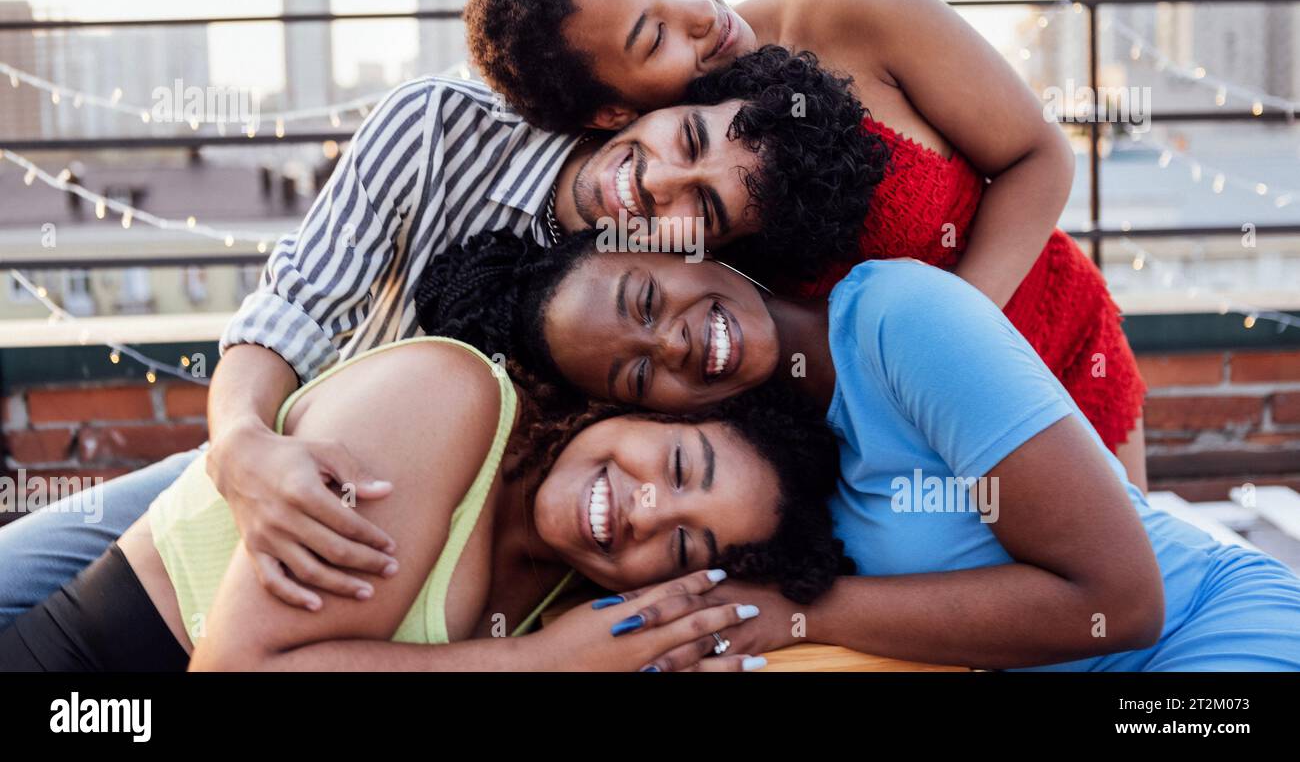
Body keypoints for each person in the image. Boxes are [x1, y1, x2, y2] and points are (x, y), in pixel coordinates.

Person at [0, 46, 881, 630]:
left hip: (430, 520)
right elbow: (294, 305)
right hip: (286, 435)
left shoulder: (637, 344)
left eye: (704, 209)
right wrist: (237, 445)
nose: (661, 188)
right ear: (639, 106)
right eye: (683, 136)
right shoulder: (445, 126)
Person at [465, 0, 1149, 488]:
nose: (699, 12)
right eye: (654, 37)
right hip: (897, 440)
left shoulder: (846, 9)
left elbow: (1039, 157)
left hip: (1051, 343)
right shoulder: (652, 188)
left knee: (1129, 595)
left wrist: (949, 346)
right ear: (611, 113)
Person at [415, 231, 1300, 671]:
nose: (677, 345)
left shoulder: (899, 319)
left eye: (651, 297)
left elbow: (1123, 600)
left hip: (1203, 640)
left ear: (677, 244)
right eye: (639, 375)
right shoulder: (745, 472)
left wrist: (808, 613)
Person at [0, 336, 848, 671]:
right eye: (674, 462)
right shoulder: (449, 401)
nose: (647, 510)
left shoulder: (565, 595)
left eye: (688, 546)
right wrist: (539, 663)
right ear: (639, 407)